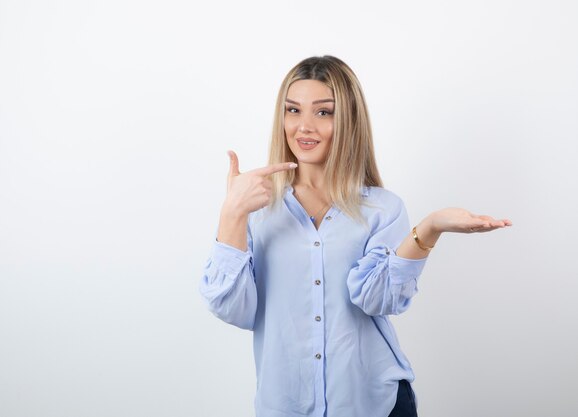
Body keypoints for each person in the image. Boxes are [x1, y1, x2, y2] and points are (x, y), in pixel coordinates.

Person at [199, 55, 512, 417]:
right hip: (285, 406)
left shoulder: (382, 208)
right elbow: (235, 309)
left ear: (347, 119)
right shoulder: (256, 208)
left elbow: (377, 300)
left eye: (323, 112)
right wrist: (232, 213)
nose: (304, 127)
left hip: (374, 404)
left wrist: (429, 228)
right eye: (293, 110)